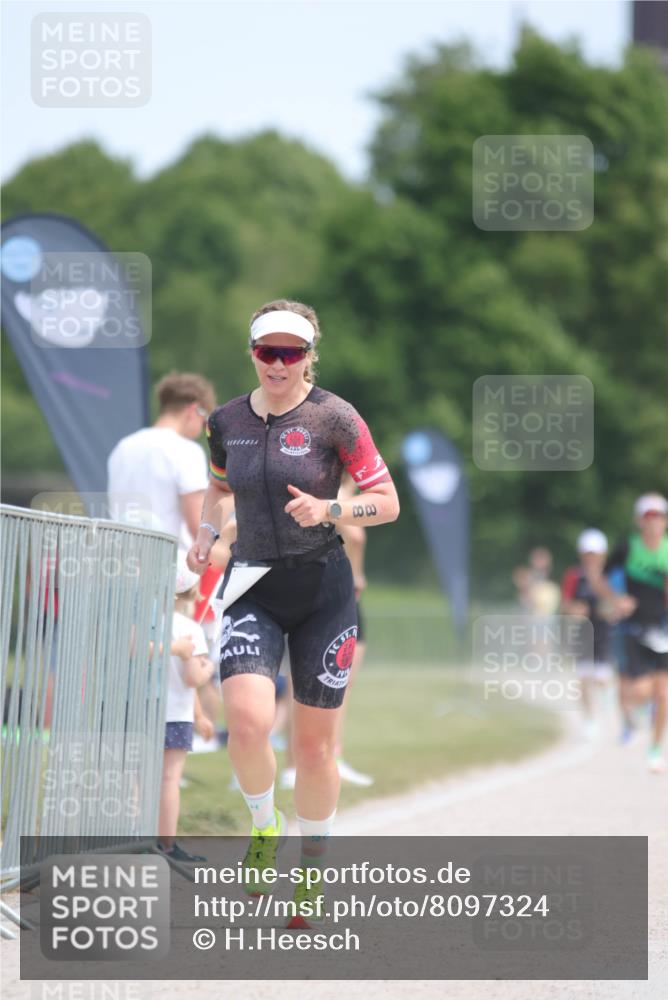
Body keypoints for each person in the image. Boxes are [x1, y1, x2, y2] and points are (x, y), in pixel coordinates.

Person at [187, 299, 400, 927]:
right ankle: (263, 826)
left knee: (314, 749)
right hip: (251, 583)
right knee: (248, 724)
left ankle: (311, 868)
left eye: (292, 352)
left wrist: (332, 511)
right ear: (251, 353)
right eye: (266, 351)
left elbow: (386, 502)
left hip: (321, 592)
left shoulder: (336, 417)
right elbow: (220, 487)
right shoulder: (226, 420)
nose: (278, 363)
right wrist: (206, 529)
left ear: (311, 356)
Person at [586, 493, 668, 773]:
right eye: (648, 517)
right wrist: (616, 599)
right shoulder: (627, 548)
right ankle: (629, 708)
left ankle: (655, 750)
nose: (653, 522)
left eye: (658, 516)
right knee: (640, 690)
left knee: (665, 694)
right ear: (639, 521)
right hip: (634, 628)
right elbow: (598, 578)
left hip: (663, 628)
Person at [107, 373, 216, 553]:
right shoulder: (187, 450)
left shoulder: (122, 447)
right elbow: (197, 527)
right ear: (194, 410)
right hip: (167, 566)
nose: (202, 430)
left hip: (121, 561)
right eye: (205, 422)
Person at [157, 553, 215, 862]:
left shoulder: (142, 621)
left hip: (142, 715)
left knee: (138, 781)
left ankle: (136, 843)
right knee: (169, 780)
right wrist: (208, 669)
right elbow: (192, 678)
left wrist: (199, 714)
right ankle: (166, 845)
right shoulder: (190, 629)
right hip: (174, 717)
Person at [560, 529, 614, 741]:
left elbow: (615, 603)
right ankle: (589, 719)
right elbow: (564, 603)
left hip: (603, 632)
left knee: (601, 678)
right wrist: (574, 608)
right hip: (582, 632)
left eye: (595, 554)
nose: (591, 558)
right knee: (583, 677)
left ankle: (606, 703)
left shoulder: (609, 575)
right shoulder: (574, 576)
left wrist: (608, 608)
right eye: (588, 554)